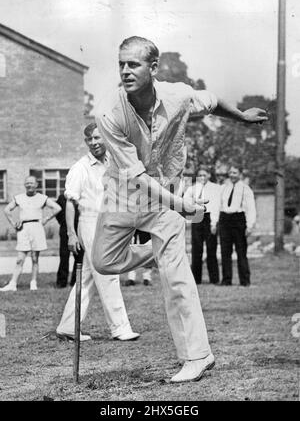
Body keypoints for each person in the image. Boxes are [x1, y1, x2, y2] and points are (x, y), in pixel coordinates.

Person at [92, 36, 268, 382]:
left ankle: (197, 356)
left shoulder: (178, 95)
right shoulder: (107, 112)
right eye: (121, 64)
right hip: (123, 193)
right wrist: (183, 205)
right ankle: (160, 253)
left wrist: (242, 118)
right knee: (104, 261)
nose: (125, 71)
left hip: (167, 194)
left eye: (134, 64)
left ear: (153, 68)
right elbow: (137, 176)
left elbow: (212, 101)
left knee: (177, 279)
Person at [56, 123, 139, 342]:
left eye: (97, 138)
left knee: (88, 278)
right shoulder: (80, 168)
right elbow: (70, 203)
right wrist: (72, 234)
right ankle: (120, 328)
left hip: (110, 222)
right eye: (89, 139)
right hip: (90, 223)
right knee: (108, 272)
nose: (93, 143)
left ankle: (67, 327)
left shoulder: (113, 162)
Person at [1, 175, 61, 291]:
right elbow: (6, 209)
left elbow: (57, 208)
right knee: (20, 258)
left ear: (36, 185)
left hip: (37, 227)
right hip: (23, 229)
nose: (29, 185)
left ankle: (33, 283)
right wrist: (13, 223)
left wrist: (46, 219)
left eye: (32, 183)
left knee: (35, 258)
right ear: (25, 185)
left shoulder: (42, 198)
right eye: (27, 183)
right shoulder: (19, 198)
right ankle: (12, 284)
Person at [219, 164, 256, 287]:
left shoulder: (246, 189)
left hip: (238, 219)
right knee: (225, 251)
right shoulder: (223, 188)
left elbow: (251, 208)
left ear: (240, 174)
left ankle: (245, 281)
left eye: (234, 173)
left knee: (241, 251)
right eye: (230, 172)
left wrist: (250, 226)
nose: (232, 175)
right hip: (225, 219)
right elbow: (218, 205)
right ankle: (226, 280)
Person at [185, 167, 221, 285]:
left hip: (209, 217)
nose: (202, 178)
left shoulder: (215, 188)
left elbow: (216, 206)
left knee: (211, 248)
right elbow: (185, 202)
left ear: (209, 175)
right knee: (196, 249)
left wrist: (213, 223)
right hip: (197, 216)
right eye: (199, 175)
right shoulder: (192, 189)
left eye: (204, 175)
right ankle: (196, 279)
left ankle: (214, 279)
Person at [55, 193, 83, 288]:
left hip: (80, 229)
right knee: (64, 256)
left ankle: (75, 281)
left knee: (79, 256)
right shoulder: (62, 197)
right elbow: (58, 213)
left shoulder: (81, 196)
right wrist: (64, 223)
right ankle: (62, 281)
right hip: (66, 229)